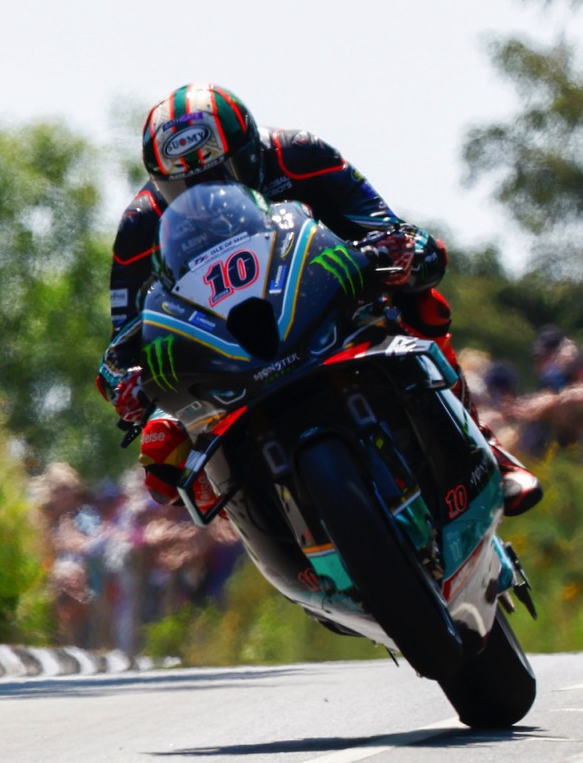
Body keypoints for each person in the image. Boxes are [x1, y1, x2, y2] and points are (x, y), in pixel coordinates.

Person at [97, 84, 542, 516]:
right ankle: (256, 515)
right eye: (184, 188)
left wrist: (403, 252)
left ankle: (484, 448)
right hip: (223, 348)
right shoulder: (140, 224)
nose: (207, 197)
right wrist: (124, 382)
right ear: (161, 184)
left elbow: (385, 224)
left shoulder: (299, 153)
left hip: (321, 305)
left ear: (249, 152)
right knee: (161, 451)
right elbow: (124, 341)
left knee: (420, 297)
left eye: (219, 176)